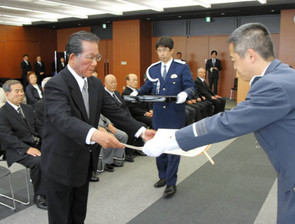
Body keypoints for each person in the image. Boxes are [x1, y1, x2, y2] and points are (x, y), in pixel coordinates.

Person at [142, 23, 295, 224]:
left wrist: (170, 140)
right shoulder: (284, 75)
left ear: (250, 55)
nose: (233, 66)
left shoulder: (273, 85)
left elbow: (229, 122)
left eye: (234, 59)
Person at [41, 31, 154, 224]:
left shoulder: (94, 83)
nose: (95, 63)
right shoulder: (56, 85)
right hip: (60, 163)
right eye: (90, 58)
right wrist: (95, 134)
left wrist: (142, 131)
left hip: (84, 161)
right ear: (72, 57)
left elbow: (115, 111)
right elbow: (62, 119)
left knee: (78, 214)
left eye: (97, 57)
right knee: (61, 217)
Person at [133, 36, 195, 198]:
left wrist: (185, 94)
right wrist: (136, 92)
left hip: (175, 115)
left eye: (164, 50)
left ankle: (171, 182)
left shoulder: (181, 67)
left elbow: (191, 87)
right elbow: (148, 86)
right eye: (159, 50)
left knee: (173, 149)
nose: (161, 54)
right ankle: (163, 176)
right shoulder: (153, 69)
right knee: (159, 147)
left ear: (171, 50)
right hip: (159, 115)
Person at [0, 80, 47, 210]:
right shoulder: (2, 113)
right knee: (38, 161)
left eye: (22, 90)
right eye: (17, 91)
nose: (21, 94)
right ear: (7, 94)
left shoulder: (28, 108)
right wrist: (27, 149)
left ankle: (54, 188)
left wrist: (49, 140)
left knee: (56, 151)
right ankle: (40, 195)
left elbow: (39, 127)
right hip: (16, 149)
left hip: (34, 143)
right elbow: (7, 137)